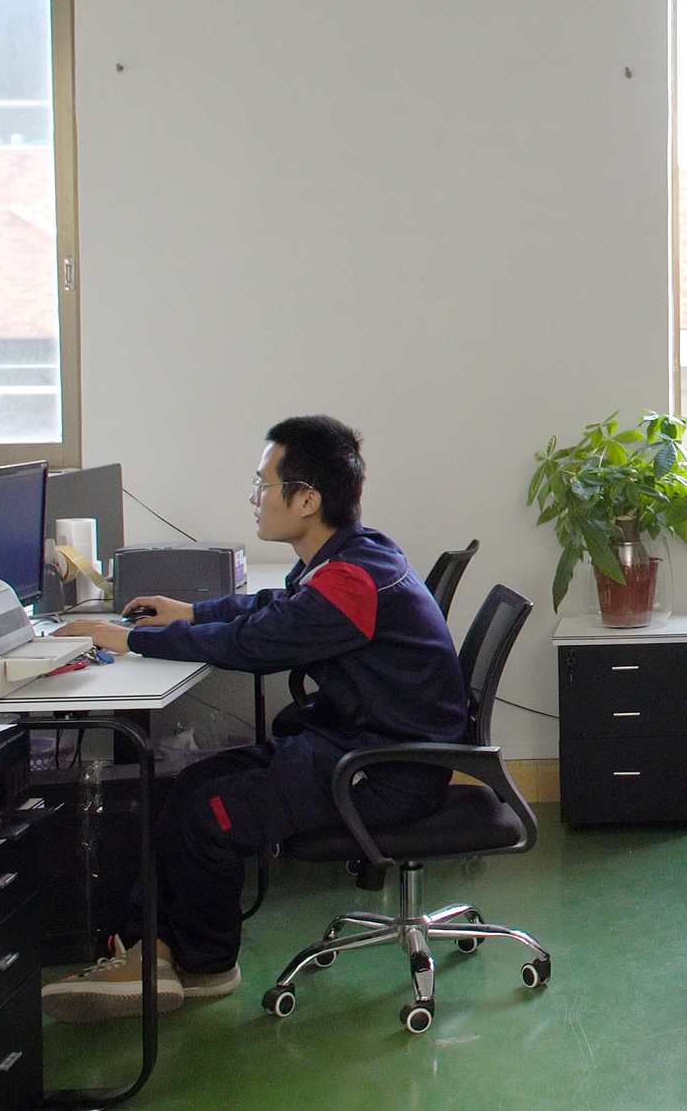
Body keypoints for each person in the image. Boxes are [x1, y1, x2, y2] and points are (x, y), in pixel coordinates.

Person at [41, 416, 466, 1022]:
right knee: (190, 785)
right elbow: (279, 608)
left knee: (210, 817)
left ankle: (204, 964)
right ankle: (150, 952)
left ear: (307, 499)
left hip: (383, 770)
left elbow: (258, 644)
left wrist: (131, 639)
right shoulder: (352, 556)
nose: (254, 498)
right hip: (357, 744)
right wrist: (191, 612)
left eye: (263, 485)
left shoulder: (351, 579)